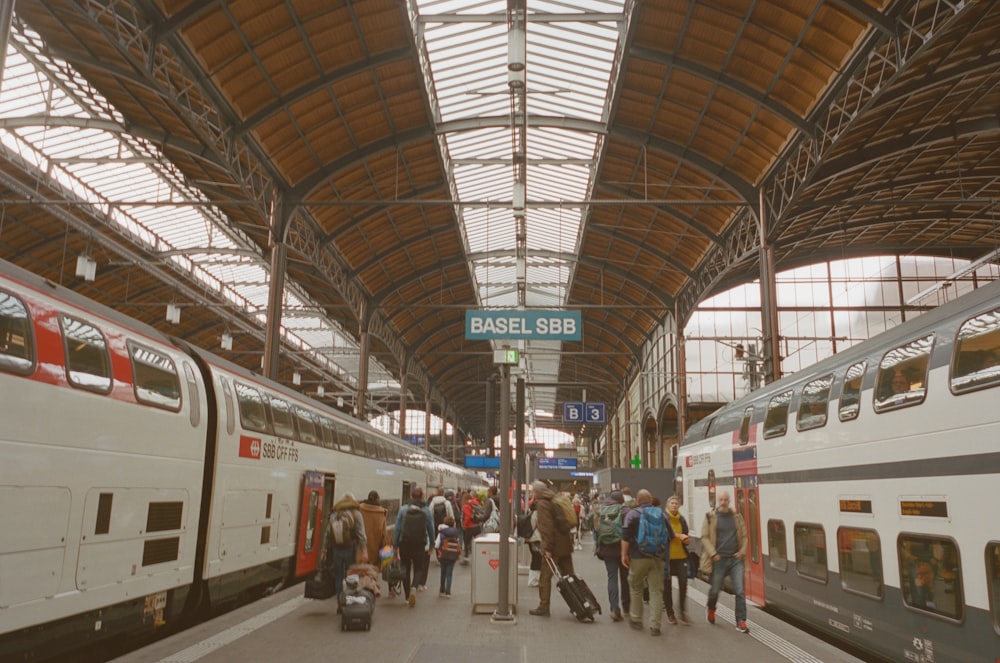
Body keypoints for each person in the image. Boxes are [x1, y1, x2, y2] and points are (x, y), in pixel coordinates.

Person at [620, 489, 671, 636]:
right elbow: (670, 536)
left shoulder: (632, 514)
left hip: (638, 557)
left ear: (637, 500)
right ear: (651, 500)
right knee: (656, 591)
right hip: (657, 558)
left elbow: (625, 537)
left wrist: (624, 554)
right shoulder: (661, 514)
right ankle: (655, 626)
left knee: (635, 587)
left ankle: (636, 619)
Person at [700, 489, 750, 633]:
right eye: (721, 500)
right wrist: (713, 553)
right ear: (717, 501)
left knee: (740, 591)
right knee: (715, 590)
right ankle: (711, 608)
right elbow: (704, 537)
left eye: (726, 500)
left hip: (735, 559)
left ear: (729, 501)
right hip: (719, 559)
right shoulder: (711, 517)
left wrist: (742, 551)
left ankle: (741, 621)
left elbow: (745, 536)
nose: (723, 502)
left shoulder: (737, 517)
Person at [528, 480, 575, 617]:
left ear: (537, 492)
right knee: (570, 576)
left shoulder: (542, 504)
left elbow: (546, 528)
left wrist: (547, 548)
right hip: (565, 543)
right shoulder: (554, 499)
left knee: (545, 577)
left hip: (554, 547)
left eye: (533, 491)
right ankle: (579, 601)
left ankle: (543, 606)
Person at [393, 485, 434, 607]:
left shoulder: (403, 509)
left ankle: (406, 597)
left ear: (411, 496)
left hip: (404, 543)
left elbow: (397, 529)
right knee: (419, 568)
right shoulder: (426, 510)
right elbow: (431, 529)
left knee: (405, 567)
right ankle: (414, 588)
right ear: (422, 496)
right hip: (420, 544)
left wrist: (395, 546)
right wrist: (432, 544)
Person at [593, 490, 629, 622]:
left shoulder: (602, 510)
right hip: (623, 548)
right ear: (621, 500)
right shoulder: (625, 511)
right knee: (625, 578)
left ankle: (614, 609)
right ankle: (626, 607)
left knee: (612, 578)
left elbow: (596, 529)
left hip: (607, 549)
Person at [325, 493, 368, 606]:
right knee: (351, 575)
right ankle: (349, 600)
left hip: (336, 550)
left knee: (338, 577)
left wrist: (324, 550)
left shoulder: (334, 515)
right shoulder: (356, 514)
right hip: (350, 548)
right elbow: (361, 534)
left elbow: (328, 534)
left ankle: (340, 602)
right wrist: (364, 550)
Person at [663, 495, 691, 625]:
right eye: (672, 503)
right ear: (667, 505)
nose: (674, 505)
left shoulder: (682, 519)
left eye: (676, 503)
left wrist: (687, 540)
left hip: (681, 556)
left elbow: (686, 534)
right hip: (667, 558)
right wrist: (679, 536)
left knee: (683, 584)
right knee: (667, 587)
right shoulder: (663, 518)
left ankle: (682, 611)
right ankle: (670, 613)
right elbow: (665, 534)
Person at [358, 490, 390, 575]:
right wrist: (386, 559)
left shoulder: (359, 509)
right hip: (374, 555)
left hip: (360, 552)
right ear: (377, 499)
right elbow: (384, 537)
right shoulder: (381, 514)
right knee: (372, 580)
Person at [434, 515, 461, 597]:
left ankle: (442, 590)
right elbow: (458, 543)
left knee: (443, 573)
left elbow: (436, 545)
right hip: (452, 556)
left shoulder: (441, 533)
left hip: (443, 555)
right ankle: (448, 592)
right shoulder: (455, 533)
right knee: (449, 574)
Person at [460, 492, 483, 565]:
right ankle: (480, 557)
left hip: (470, 527)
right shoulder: (476, 504)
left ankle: (466, 559)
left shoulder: (466, 506)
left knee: (467, 543)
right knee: (477, 543)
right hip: (477, 526)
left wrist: (464, 525)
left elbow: (468, 516)